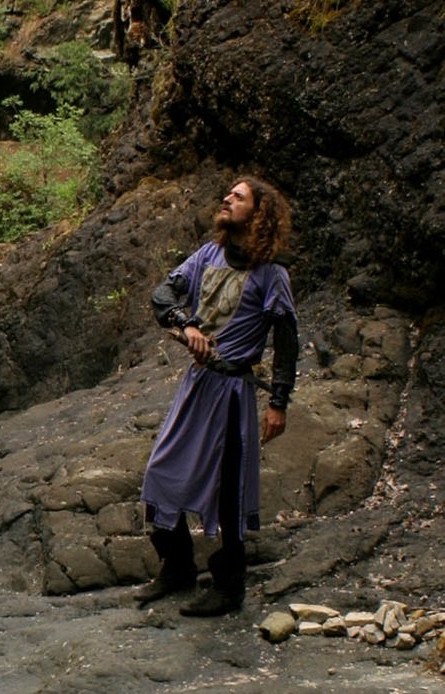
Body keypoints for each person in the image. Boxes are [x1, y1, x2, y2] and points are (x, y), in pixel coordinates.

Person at [134, 176, 299, 616]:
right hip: (198, 384)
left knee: (228, 491)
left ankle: (229, 586)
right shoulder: (208, 255)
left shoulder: (272, 274)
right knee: (160, 473)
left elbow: (287, 340)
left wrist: (278, 402)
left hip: (233, 392)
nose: (226, 198)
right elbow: (163, 293)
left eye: (238, 197)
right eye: (227, 193)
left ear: (258, 213)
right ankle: (178, 567)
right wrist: (186, 323)